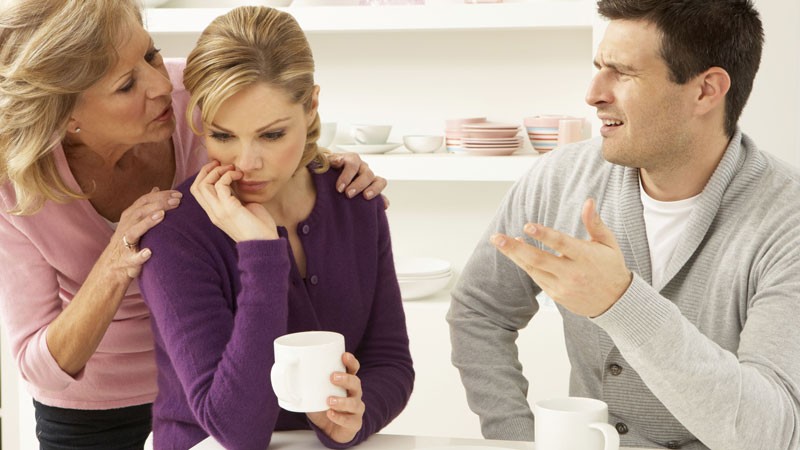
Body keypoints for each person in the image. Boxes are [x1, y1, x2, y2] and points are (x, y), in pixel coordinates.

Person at [0, 0, 386, 448]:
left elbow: (270, 127)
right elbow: (40, 367)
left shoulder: (189, 97)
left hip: (211, 388)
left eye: (151, 55)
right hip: (95, 409)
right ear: (68, 117)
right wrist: (114, 265)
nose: (163, 84)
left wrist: (324, 166)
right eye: (126, 85)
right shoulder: (15, 184)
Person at [448, 0, 800, 449]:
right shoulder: (560, 178)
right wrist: (515, 437)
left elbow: (772, 432)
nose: (594, 93)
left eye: (623, 72)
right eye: (599, 67)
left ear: (706, 91)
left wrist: (622, 302)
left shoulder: (787, 220)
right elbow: (480, 310)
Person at [137, 6, 414, 450]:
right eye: (223, 136)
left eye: (271, 135)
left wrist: (354, 416)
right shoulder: (176, 235)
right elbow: (235, 432)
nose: (246, 163)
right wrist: (261, 255)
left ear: (311, 106)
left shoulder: (354, 199)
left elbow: (389, 360)